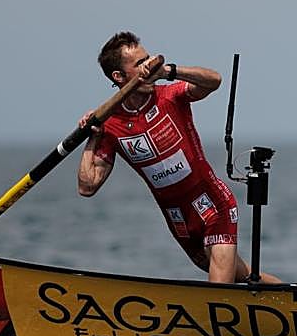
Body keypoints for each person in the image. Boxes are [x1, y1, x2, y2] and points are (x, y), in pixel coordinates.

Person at [77, 31, 280, 284]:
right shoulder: (111, 124)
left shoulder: (170, 96)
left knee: (219, 290)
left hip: (214, 205)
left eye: (148, 59)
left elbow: (214, 81)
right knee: (243, 276)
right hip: (180, 220)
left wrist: (168, 72)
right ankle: (291, 297)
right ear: (118, 77)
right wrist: (93, 135)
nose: (149, 66)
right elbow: (87, 186)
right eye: (139, 64)